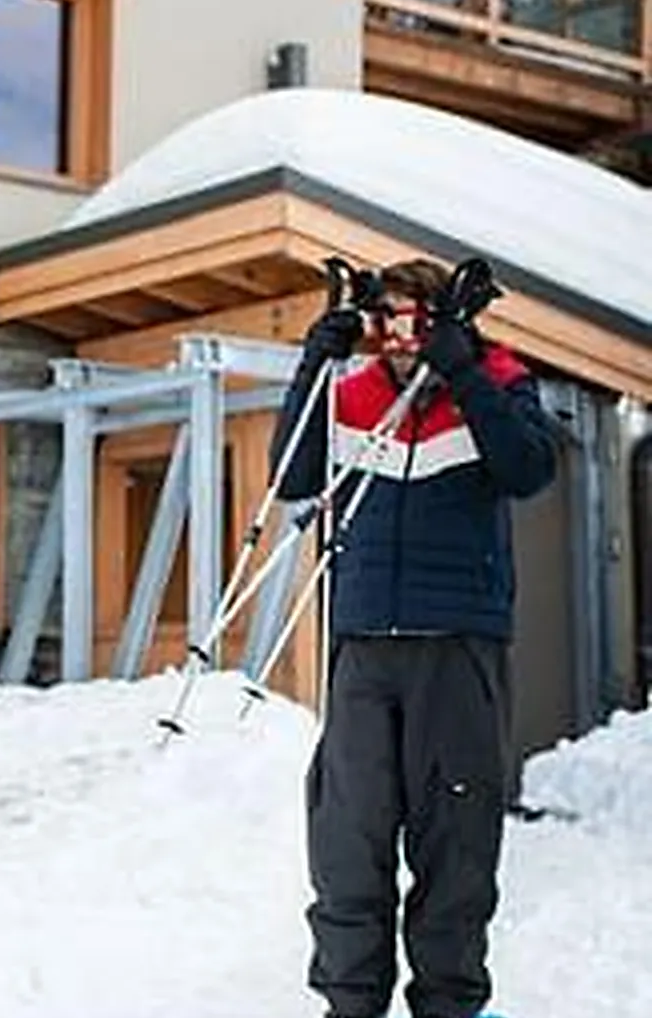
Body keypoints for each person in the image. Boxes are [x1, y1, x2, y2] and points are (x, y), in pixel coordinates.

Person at [270, 258, 558, 1018]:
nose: (399, 334)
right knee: (348, 837)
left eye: (416, 319)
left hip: (457, 644)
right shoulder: (351, 393)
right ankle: (349, 1005)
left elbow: (528, 469)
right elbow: (292, 475)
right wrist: (314, 361)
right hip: (363, 642)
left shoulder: (497, 379)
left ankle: (451, 1005)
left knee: (454, 842)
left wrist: (464, 374)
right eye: (387, 317)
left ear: (448, 321)